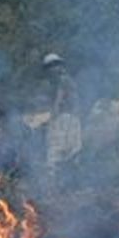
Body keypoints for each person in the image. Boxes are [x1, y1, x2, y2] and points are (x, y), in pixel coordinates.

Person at [41, 53, 82, 189]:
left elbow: (60, 99)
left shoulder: (62, 80)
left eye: (54, 65)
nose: (52, 69)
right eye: (50, 66)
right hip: (70, 118)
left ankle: (54, 185)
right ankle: (66, 185)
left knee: (57, 151)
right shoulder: (64, 80)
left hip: (64, 118)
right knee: (69, 152)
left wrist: (51, 118)